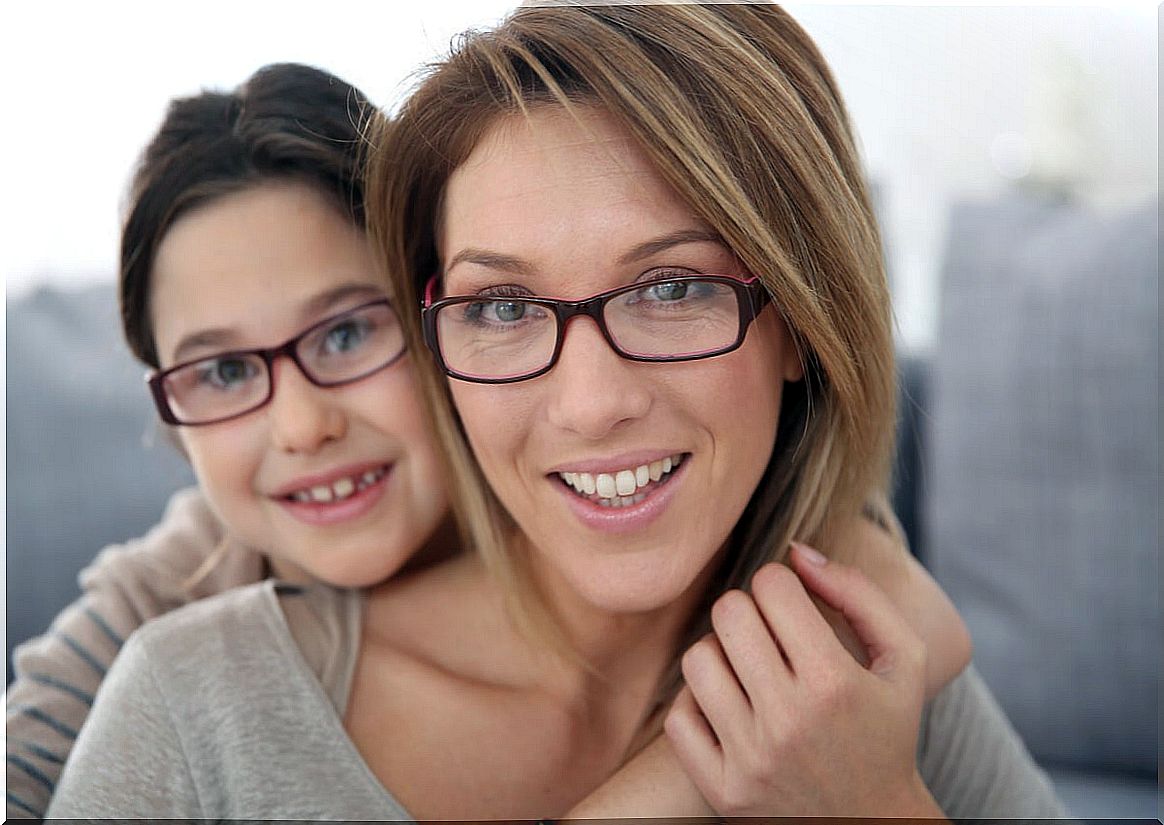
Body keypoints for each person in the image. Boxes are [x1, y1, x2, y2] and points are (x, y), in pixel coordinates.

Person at [44, 7, 1045, 820]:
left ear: (799, 321)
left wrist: (873, 803)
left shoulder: (849, 664)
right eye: (506, 309)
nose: (593, 402)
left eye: (670, 289)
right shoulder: (187, 682)